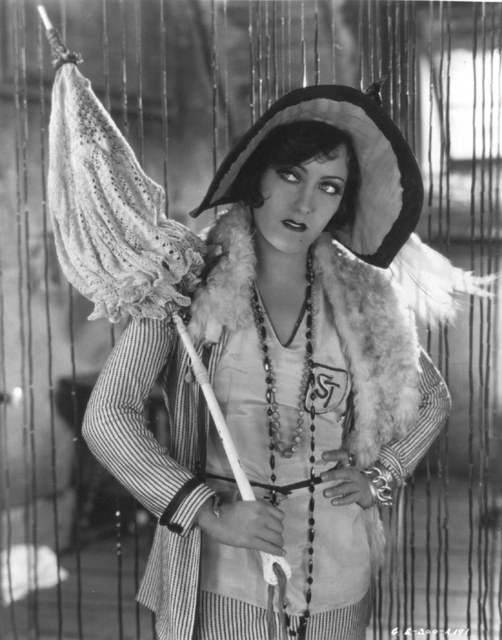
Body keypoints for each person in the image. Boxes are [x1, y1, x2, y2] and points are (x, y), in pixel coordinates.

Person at [82, 84, 451, 640]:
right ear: (258, 175)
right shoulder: (184, 280)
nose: (305, 204)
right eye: (290, 175)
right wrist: (208, 512)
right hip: (221, 573)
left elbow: (432, 398)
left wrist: (381, 475)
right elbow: (108, 416)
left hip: (337, 572)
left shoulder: (363, 298)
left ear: (343, 203)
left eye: (329, 187)